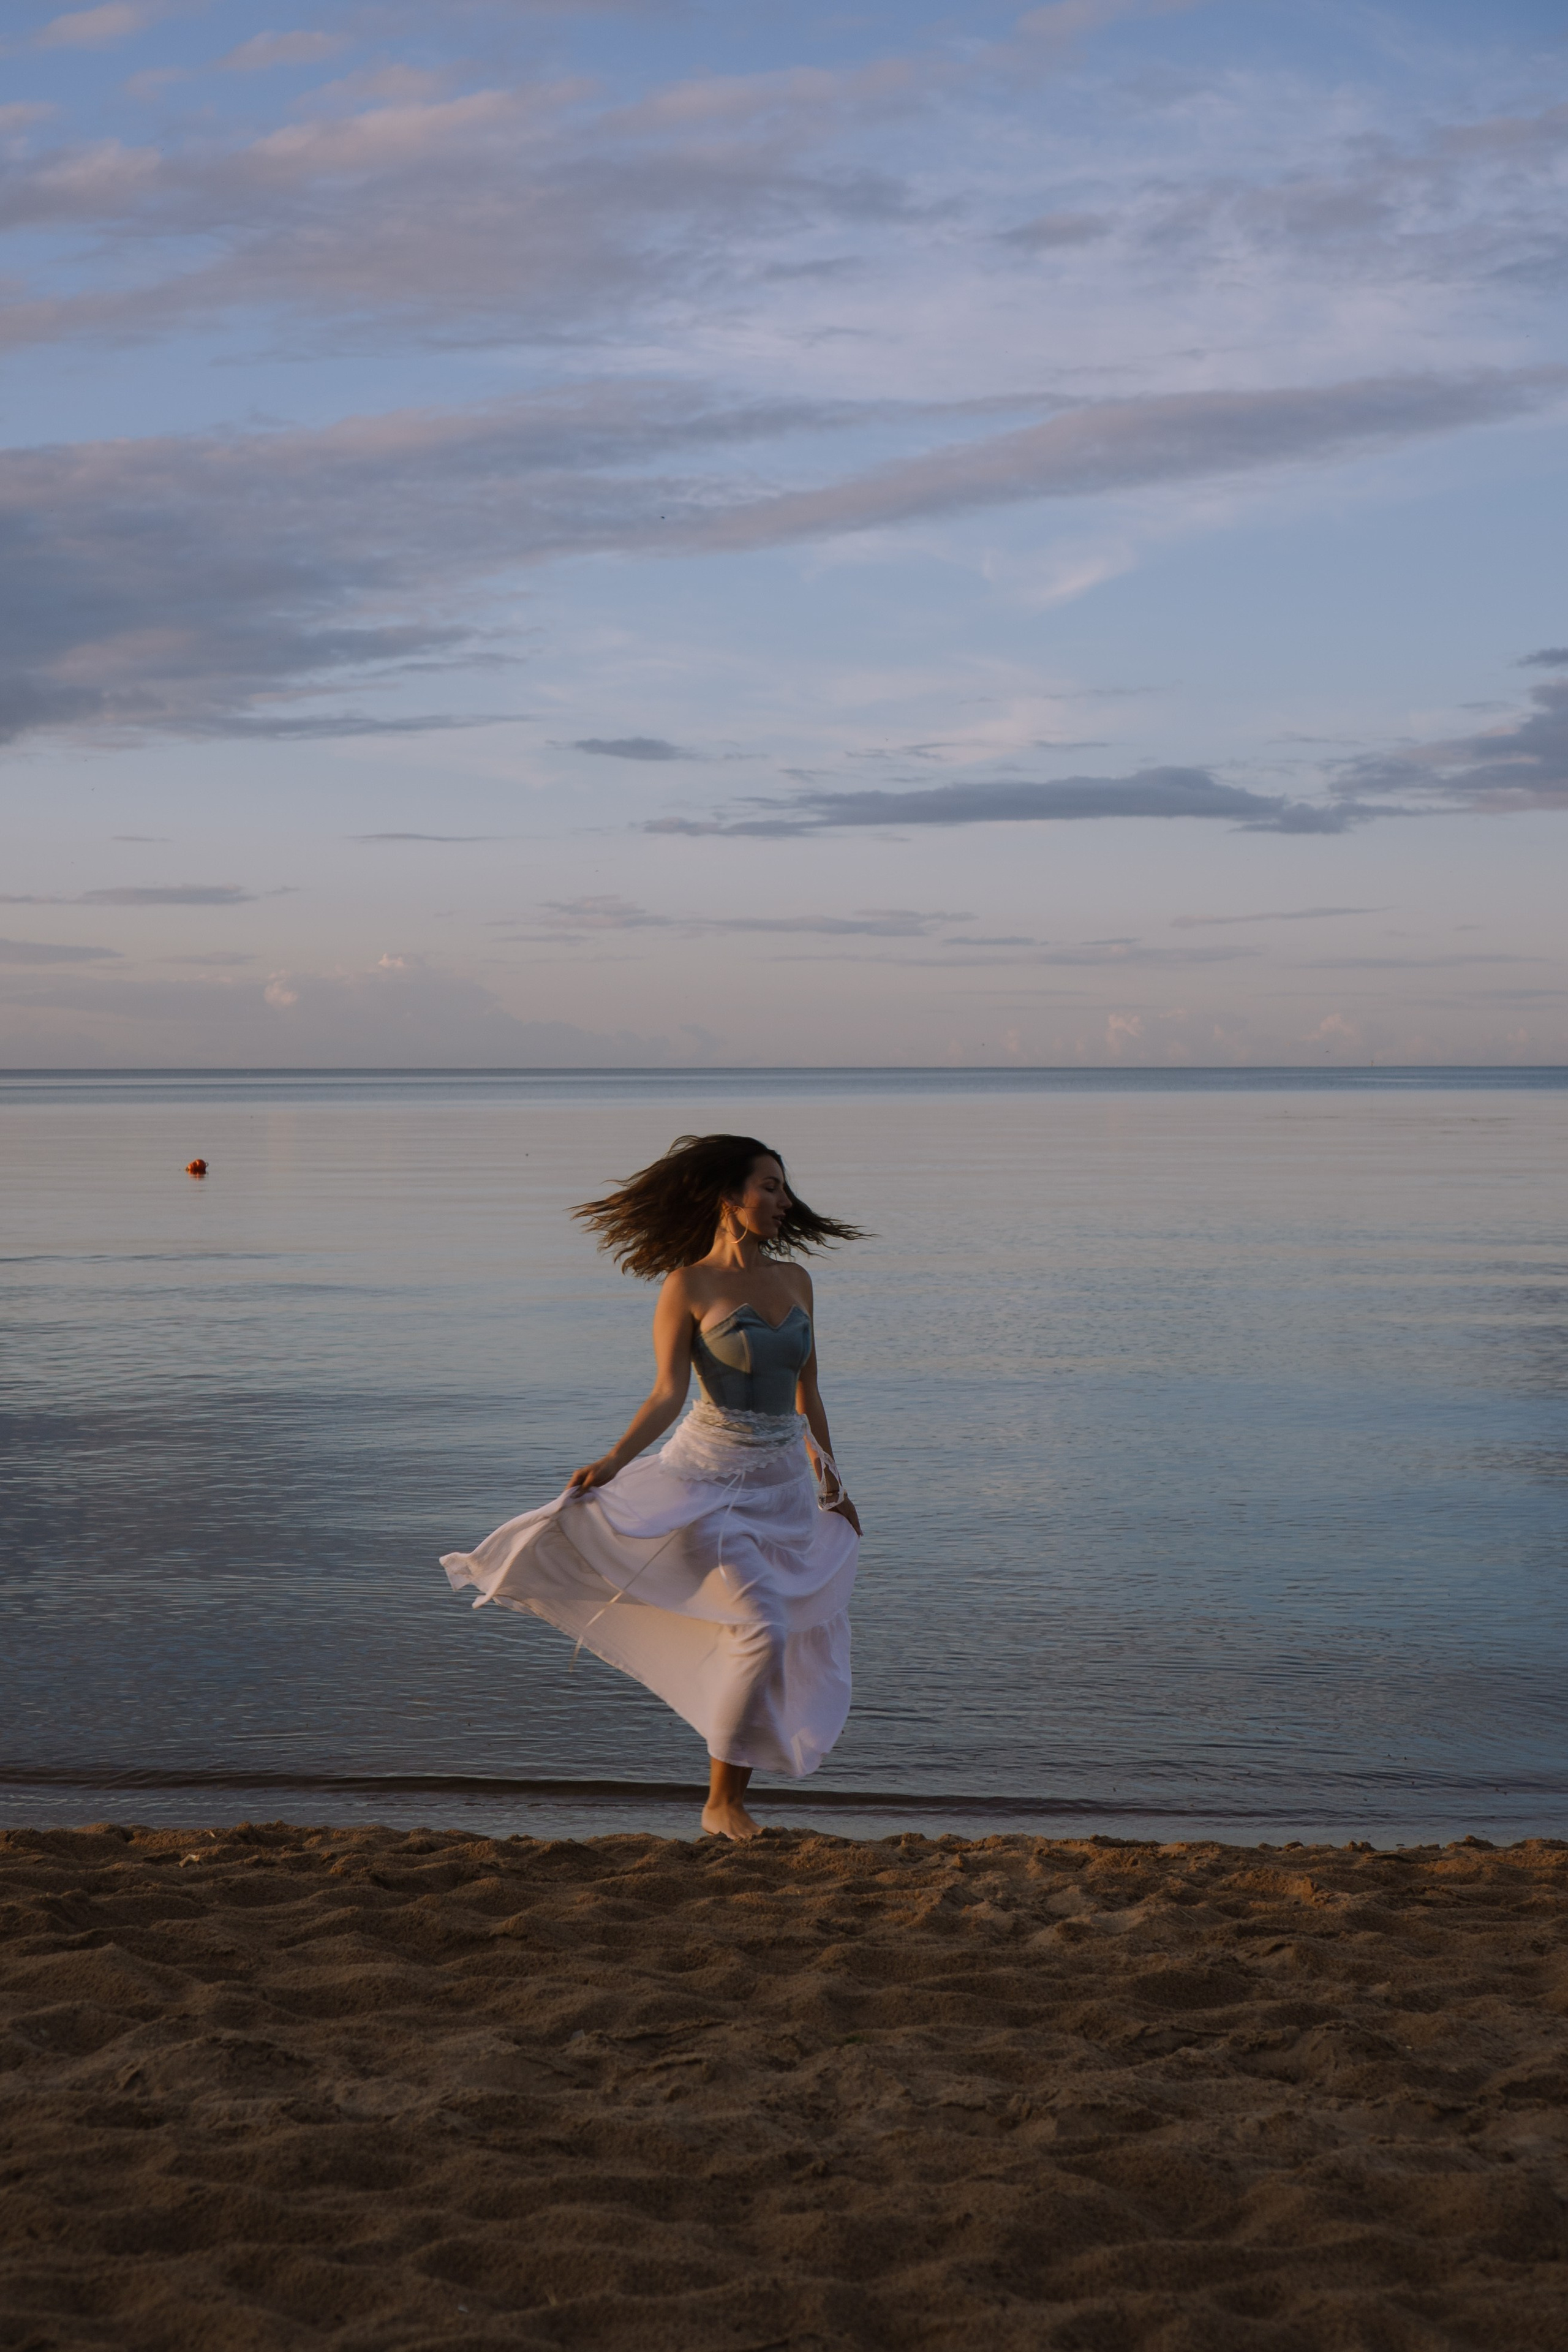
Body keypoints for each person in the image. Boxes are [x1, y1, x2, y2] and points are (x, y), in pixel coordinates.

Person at [441, 1133, 865, 1841]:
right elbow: (668, 1393)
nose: (784, 1202)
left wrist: (833, 1481)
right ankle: (719, 1804)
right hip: (707, 1483)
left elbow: (808, 1391)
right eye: (769, 1187)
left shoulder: (797, 1281)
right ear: (729, 1198)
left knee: (771, 1639)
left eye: (784, 1188)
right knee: (762, 1625)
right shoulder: (688, 1285)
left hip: (785, 1487)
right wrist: (610, 1461)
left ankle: (729, 1799)